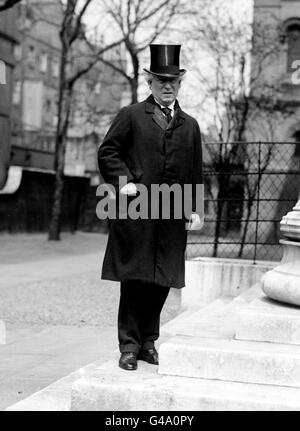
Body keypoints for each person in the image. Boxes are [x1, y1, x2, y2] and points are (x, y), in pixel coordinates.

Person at [98, 44, 203, 371]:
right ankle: (128, 346)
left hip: (172, 214)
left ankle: (148, 342)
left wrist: (195, 207)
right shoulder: (131, 115)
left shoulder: (190, 125)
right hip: (136, 210)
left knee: (162, 279)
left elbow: (195, 169)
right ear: (150, 83)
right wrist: (123, 180)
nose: (167, 86)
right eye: (160, 80)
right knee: (135, 278)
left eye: (172, 81)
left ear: (180, 83)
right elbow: (107, 152)